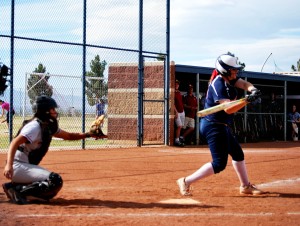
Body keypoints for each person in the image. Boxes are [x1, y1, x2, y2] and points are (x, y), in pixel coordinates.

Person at [176, 53, 266, 196]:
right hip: (213, 125)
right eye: (233, 70)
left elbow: (244, 84)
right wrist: (246, 101)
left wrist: (252, 90)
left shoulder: (230, 78)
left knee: (237, 154)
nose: (236, 72)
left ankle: (245, 186)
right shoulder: (219, 83)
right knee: (219, 163)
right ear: (225, 70)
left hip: (221, 125)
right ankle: (186, 181)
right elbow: (228, 109)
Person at [2, 95, 104, 204]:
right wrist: (9, 166)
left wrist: (89, 134)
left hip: (23, 165)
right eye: (53, 109)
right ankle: (18, 191)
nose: (55, 112)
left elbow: (69, 136)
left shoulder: (46, 125)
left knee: (49, 185)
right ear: (46, 111)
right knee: (54, 180)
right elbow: (14, 142)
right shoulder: (35, 126)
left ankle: (13, 186)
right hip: (17, 166)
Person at [174, 79, 185, 147]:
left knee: (181, 127)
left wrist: (183, 110)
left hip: (182, 111)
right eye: (175, 84)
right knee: (179, 126)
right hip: (177, 112)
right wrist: (176, 112)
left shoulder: (179, 92)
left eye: (178, 84)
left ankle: (179, 139)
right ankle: (176, 140)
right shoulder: (173, 92)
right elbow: (172, 103)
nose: (177, 85)